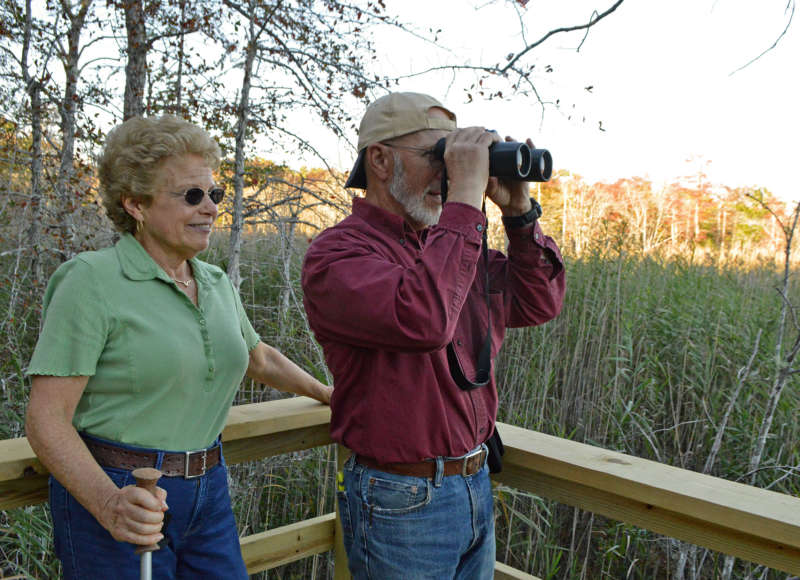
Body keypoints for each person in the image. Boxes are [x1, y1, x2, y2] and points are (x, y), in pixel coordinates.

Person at [24, 114, 332, 580]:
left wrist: (329, 395)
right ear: (136, 204)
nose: (210, 208)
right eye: (192, 195)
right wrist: (111, 505)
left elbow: (258, 357)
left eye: (215, 194)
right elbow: (46, 420)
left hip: (208, 489)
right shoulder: (91, 280)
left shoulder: (211, 280)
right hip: (122, 490)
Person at [301, 92, 566, 579]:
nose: (448, 174)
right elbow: (424, 318)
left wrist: (520, 212)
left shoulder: (451, 250)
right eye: (436, 157)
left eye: (455, 160)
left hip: (475, 483)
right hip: (398, 499)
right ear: (379, 160)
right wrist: (465, 199)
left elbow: (537, 303)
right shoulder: (337, 256)